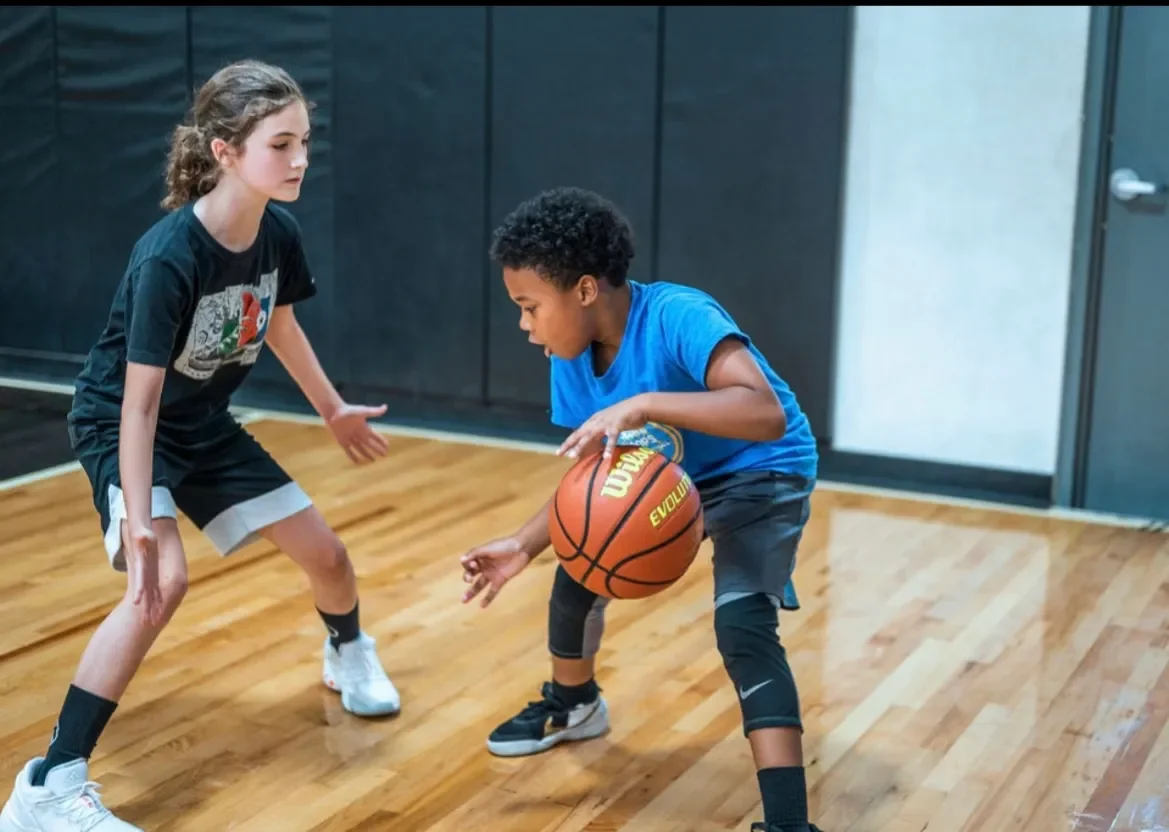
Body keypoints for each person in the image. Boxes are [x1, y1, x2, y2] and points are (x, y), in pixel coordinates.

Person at [0, 60, 400, 832]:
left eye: (304, 142)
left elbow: (279, 324)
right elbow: (139, 399)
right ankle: (47, 784)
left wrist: (333, 411)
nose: (299, 160)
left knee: (329, 556)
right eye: (280, 144)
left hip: (202, 423)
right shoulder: (169, 256)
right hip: (123, 420)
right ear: (224, 150)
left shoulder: (276, 232)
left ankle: (346, 651)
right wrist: (142, 520)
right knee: (160, 583)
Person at [459, 187, 823, 832]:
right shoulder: (569, 359)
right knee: (580, 564)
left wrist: (648, 401)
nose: (524, 325)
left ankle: (789, 823)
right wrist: (523, 544)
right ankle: (574, 705)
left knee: (741, 626)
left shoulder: (679, 315)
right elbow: (589, 487)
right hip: (670, 473)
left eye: (529, 306)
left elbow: (763, 413)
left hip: (760, 469)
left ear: (586, 290)